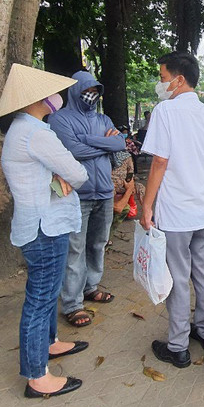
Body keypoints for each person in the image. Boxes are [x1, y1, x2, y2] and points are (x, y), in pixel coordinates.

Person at [0, 63, 89, 398]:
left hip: (39, 223)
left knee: (46, 293)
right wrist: (63, 176)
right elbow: (77, 173)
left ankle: (50, 343)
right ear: (38, 98)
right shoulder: (36, 133)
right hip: (44, 227)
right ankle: (37, 376)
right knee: (40, 298)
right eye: (52, 91)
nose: (59, 96)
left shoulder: (21, 129)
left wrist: (58, 177)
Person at [141, 51, 204, 369]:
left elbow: (159, 162)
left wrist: (147, 206)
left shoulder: (166, 111)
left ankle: (178, 346)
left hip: (176, 214)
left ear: (179, 80)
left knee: (178, 277)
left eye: (163, 77)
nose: (161, 84)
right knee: (203, 274)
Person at [49, 71, 127, 328]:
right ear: (75, 91)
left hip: (104, 192)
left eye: (95, 91)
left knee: (98, 244)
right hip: (76, 196)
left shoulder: (103, 118)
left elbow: (120, 144)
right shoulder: (60, 119)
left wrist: (89, 141)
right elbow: (72, 150)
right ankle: (72, 303)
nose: (90, 95)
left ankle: (90, 286)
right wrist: (103, 144)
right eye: (86, 90)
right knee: (75, 249)